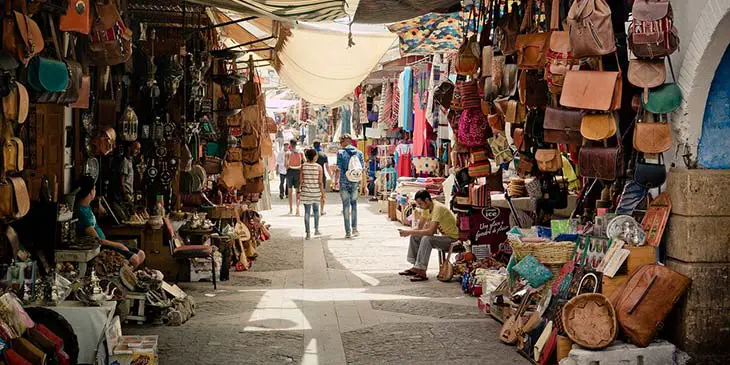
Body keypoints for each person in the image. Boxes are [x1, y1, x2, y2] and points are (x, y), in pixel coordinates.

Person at [74, 175, 146, 267]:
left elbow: (103, 212)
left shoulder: (87, 205)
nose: (95, 191)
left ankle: (126, 274)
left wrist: (99, 204)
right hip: (101, 246)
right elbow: (97, 240)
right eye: (94, 189)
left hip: (105, 242)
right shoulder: (81, 212)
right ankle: (124, 276)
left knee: (141, 254)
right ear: (91, 192)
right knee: (134, 259)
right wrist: (118, 245)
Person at [397, 190, 459, 282]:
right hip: (445, 237)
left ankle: (421, 270)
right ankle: (416, 266)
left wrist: (409, 232)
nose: (419, 206)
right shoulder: (427, 209)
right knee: (415, 236)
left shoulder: (438, 208)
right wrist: (408, 231)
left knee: (427, 239)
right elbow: (419, 227)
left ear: (427, 200)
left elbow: (430, 232)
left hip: (453, 239)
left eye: (420, 203)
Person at [336, 134, 364, 238]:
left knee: (346, 207)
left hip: (344, 182)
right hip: (355, 182)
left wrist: (335, 181)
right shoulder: (359, 153)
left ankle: (348, 232)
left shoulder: (340, 153)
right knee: (354, 205)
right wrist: (363, 185)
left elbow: (338, 169)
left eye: (341, 143)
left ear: (344, 142)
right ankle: (355, 229)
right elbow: (362, 170)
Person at [298, 149, 324, 240]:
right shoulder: (319, 167)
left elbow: (301, 180)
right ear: (314, 156)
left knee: (307, 212)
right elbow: (320, 182)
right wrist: (323, 193)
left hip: (305, 192)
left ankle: (308, 233)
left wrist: (298, 191)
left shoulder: (303, 166)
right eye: (316, 155)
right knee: (316, 211)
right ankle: (316, 230)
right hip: (316, 192)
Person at [285, 139, 303, 215]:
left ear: (290, 144)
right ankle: (297, 208)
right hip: (298, 171)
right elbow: (304, 161)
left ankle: (290, 209)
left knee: (289, 191)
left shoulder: (288, 153)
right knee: (298, 191)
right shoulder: (300, 152)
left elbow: (286, 165)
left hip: (290, 172)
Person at [313, 140, 329, 215]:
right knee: (322, 193)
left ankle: (314, 211)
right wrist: (331, 176)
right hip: (322, 176)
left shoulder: (311, 154)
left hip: (313, 176)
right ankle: (321, 210)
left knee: (313, 193)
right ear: (320, 145)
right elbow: (327, 167)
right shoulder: (323, 155)